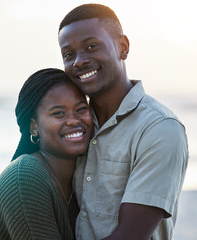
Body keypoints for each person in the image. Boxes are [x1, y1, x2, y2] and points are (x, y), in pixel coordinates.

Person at [58, 4, 189, 240]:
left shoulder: (160, 129)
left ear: (123, 47)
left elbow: (129, 236)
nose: (78, 62)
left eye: (91, 47)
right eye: (68, 55)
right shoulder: (74, 127)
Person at [0, 68, 93, 239]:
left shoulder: (84, 178)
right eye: (59, 113)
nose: (73, 120)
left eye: (81, 109)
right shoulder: (26, 177)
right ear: (34, 127)